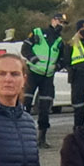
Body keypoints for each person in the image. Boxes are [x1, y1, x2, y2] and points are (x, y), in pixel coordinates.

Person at [22, 12, 68, 147]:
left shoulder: (60, 41)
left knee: (45, 107)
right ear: (53, 20)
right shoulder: (38, 32)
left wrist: (58, 66)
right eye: (59, 21)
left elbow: (63, 59)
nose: (61, 25)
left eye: (63, 23)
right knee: (25, 105)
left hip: (48, 77)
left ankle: (42, 138)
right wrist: (33, 59)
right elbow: (25, 48)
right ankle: (23, 137)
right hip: (33, 74)